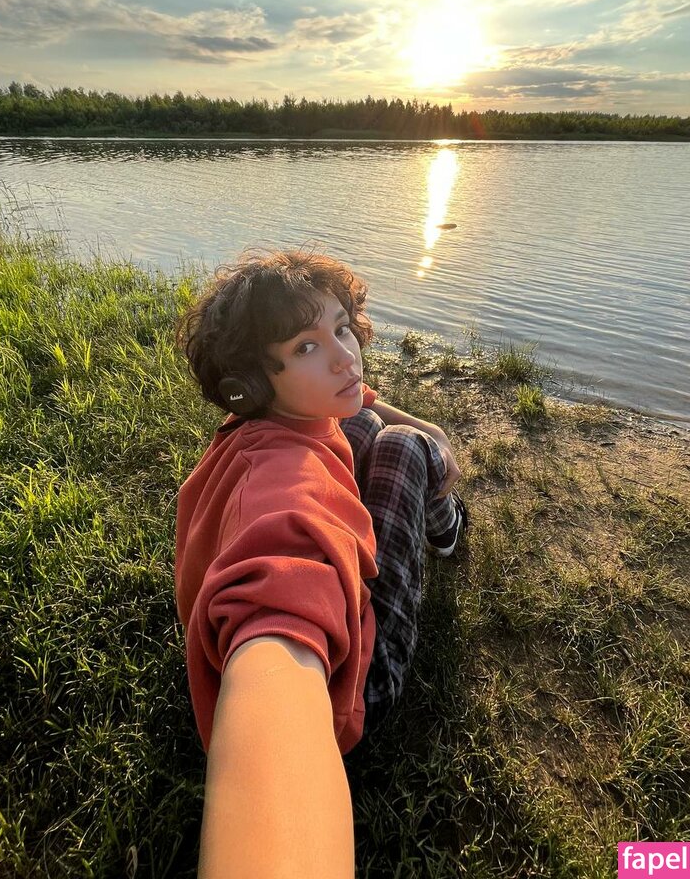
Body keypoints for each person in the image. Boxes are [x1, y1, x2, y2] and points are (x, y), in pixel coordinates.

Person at [174, 247, 470, 878]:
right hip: (356, 683)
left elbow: (359, 400)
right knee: (403, 449)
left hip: (332, 611)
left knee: (365, 428)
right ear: (253, 383)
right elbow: (274, 629)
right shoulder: (282, 492)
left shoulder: (265, 419)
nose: (344, 357)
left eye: (342, 328)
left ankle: (433, 486)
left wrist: (434, 429)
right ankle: (447, 528)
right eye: (306, 347)